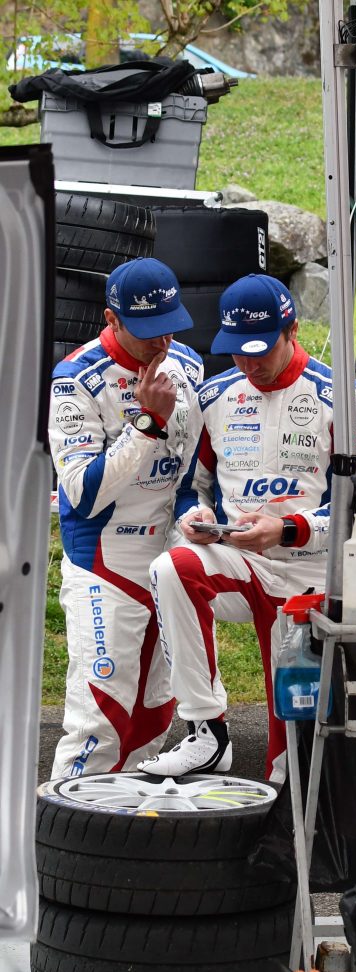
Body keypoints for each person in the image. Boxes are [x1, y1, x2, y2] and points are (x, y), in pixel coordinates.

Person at [138, 272, 356, 783]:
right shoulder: (215, 395)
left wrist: (288, 529)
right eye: (237, 352)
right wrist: (196, 517)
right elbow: (190, 486)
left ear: (292, 332)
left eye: (260, 351)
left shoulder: (343, 398)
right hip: (242, 558)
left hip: (314, 571)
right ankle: (206, 732)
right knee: (171, 567)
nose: (249, 365)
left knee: (285, 766)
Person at [48, 257, 203, 778]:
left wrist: (194, 516)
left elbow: (189, 473)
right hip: (105, 565)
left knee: (155, 714)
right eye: (146, 334)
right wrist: (147, 423)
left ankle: (133, 840)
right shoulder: (74, 379)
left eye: (168, 328)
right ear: (111, 321)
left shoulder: (189, 366)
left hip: (167, 564)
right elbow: (81, 493)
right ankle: (64, 840)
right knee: (100, 718)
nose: (161, 344)